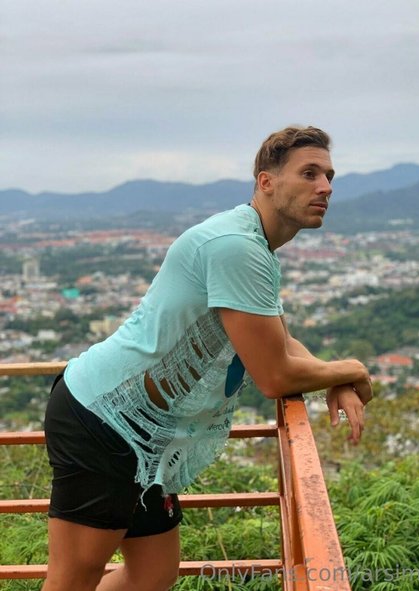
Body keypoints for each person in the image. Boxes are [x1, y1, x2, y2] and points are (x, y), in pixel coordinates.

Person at [42, 125, 372, 591]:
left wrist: (332, 376)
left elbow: (281, 341)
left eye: (329, 176)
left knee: (153, 573)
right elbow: (275, 376)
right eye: (310, 174)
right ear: (266, 182)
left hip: (147, 437)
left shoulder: (254, 243)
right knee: (74, 577)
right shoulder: (235, 246)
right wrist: (353, 369)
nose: (326, 187)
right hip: (105, 420)